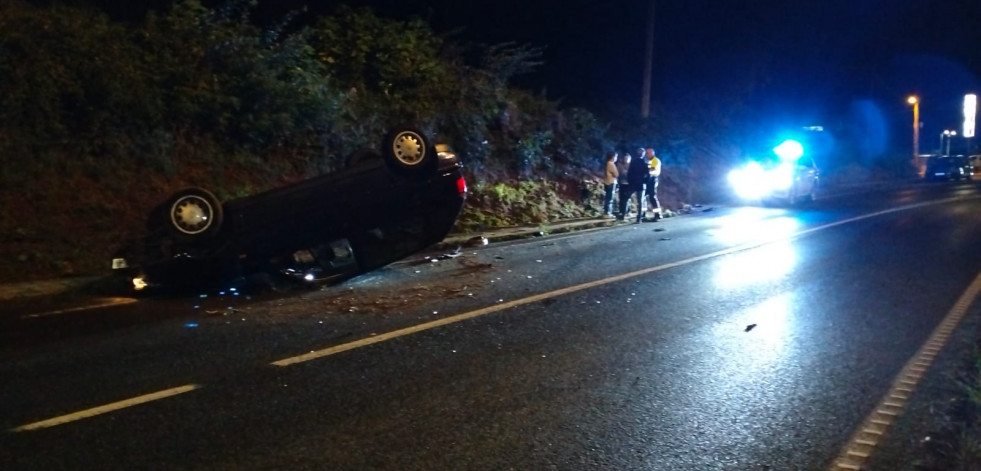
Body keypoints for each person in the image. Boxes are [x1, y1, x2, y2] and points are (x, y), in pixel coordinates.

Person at [625, 149, 649, 223]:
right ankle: (639, 218)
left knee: (626, 197)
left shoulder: (633, 161)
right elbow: (648, 174)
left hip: (633, 183)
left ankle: (624, 214)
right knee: (640, 201)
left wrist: (630, 181)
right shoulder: (645, 162)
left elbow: (629, 173)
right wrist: (645, 182)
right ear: (643, 154)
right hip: (641, 184)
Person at [646, 148, 662, 221]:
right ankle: (656, 214)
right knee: (650, 197)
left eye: (648, 153)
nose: (646, 155)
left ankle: (657, 215)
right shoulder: (651, 160)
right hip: (651, 179)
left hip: (653, 179)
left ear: (652, 153)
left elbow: (652, 169)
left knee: (653, 197)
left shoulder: (654, 160)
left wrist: (645, 169)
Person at [616, 152, 632, 220]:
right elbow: (617, 173)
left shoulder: (631, 165)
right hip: (622, 183)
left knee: (627, 198)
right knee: (621, 198)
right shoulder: (620, 165)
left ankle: (626, 212)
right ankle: (621, 211)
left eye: (627, 158)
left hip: (629, 184)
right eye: (625, 158)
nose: (626, 159)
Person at [602, 151, 618, 218]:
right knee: (610, 198)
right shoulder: (611, 164)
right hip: (611, 182)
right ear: (613, 157)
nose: (616, 158)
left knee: (607, 198)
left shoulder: (606, 163)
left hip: (606, 182)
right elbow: (616, 174)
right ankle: (607, 213)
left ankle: (606, 212)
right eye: (616, 156)